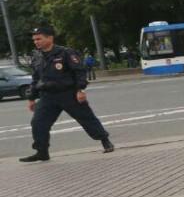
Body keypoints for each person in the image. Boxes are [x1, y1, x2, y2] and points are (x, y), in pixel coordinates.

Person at [19, 25, 113, 162]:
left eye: (39, 39)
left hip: (68, 93)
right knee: (38, 123)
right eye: (34, 40)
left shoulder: (66, 53)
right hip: (47, 96)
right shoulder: (37, 57)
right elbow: (35, 79)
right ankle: (42, 152)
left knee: (87, 118)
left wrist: (80, 90)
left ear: (50, 38)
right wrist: (31, 98)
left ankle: (105, 141)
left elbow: (79, 72)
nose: (36, 42)